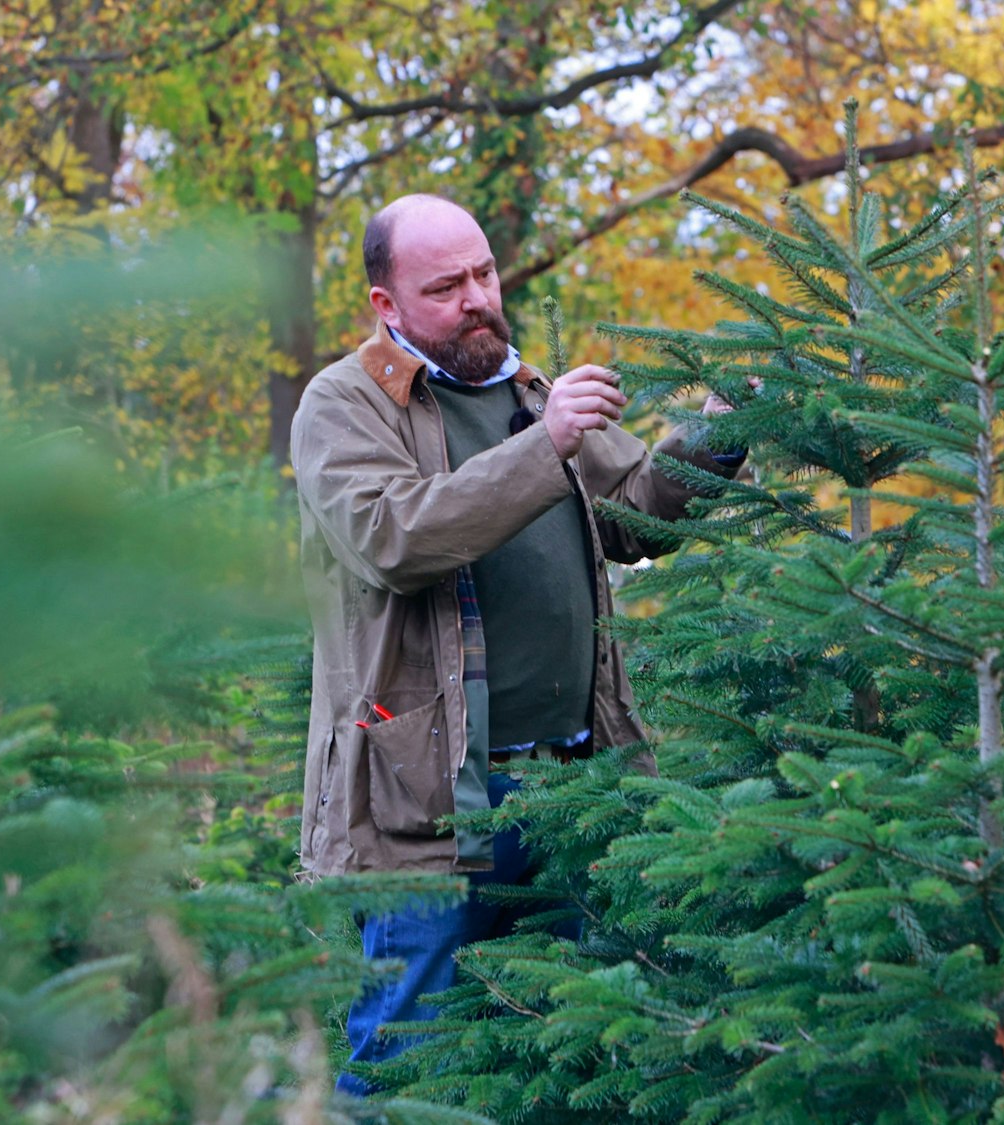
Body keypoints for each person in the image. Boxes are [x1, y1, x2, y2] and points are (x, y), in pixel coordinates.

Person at [288, 193, 743, 1095]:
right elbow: (395, 539)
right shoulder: (343, 404)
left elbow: (635, 510)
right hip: (431, 804)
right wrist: (549, 446)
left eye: (484, 273)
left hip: (574, 781)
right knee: (409, 1063)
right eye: (446, 286)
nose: (477, 298)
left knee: (569, 1059)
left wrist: (720, 435)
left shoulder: (527, 392)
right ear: (386, 304)